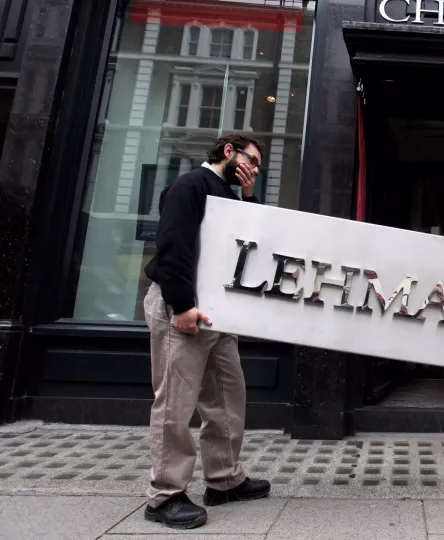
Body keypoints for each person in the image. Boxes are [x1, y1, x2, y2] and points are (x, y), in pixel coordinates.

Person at [142, 134, 271, 529]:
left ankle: (224, 480)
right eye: (251, 160)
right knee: (175, 403)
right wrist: (181, 305)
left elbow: (252, 242)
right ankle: (164, 496)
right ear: (229, 151)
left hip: (216, 312)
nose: (254, 169)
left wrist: (248, 195)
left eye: (258, 166)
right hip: (183, 307)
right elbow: (173, 245)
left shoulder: (227, 195)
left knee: (227, 397)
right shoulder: (190, 186)